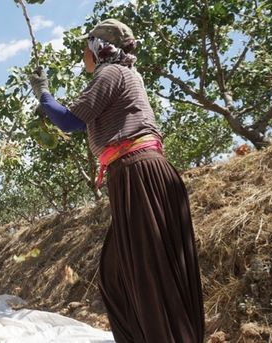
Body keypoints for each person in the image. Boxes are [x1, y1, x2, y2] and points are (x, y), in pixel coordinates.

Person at [29, 19, 205, 342]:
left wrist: (43, 93)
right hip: (144, 173)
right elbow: (84, 122)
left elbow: (70, 121)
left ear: (98, 48)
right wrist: (49, 106)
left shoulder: (109, 73)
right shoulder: (127, 75)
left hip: (136, 174)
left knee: (144, 274)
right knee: (127, 272)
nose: (83, 55)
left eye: (86, 48)